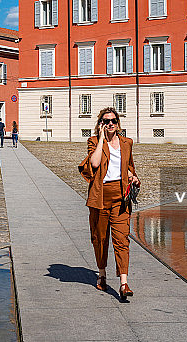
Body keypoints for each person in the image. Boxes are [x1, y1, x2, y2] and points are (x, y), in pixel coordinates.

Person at [79, 107, 140, 300]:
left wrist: (133, 177)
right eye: (106, 121)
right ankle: (102, 273)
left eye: (113, 120)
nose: (110, 123)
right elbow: (94, 164)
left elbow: (128, 167)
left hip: (120, 198)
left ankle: (123, 283)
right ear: (101, 124)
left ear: (118, 123)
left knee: (122, 239)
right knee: (101, 238)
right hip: (100, 197)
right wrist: (100, 140)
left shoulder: (126, 143)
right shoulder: (93, 142)